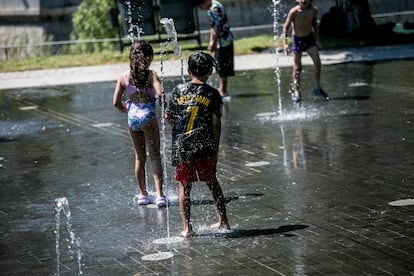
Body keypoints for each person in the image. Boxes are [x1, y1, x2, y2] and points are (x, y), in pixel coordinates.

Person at [165, 52, 230, 238]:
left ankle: (187, 228)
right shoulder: (213, 94)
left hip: (182, 147)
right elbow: (216, 124)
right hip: (205, 146)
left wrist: (179, 129)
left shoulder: (178, 90)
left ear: (188, 70)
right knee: (212, 182)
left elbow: (168, 117)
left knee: (184, 186)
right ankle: (223, 221)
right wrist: (216, 149)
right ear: (210, 71)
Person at [113, 40, 167, 207]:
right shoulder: (152, 75)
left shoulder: (123, 77)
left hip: (133, 118)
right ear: (149, 59)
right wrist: (165, 110)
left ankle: (143, 194)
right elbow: (160, 93)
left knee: (139, 157)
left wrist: (128, 110)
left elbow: (116, 102)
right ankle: (159, 195)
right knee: (155, 156)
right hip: (148, 117)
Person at [282, 0, 329, 102]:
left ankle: (317, 88)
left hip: (309, 39)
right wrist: (285, 43)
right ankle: (296, 91)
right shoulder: (293, 12)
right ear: (297, 1)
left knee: (317, 62)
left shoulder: (313, 10)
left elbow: (315, 25)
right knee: (297, 66)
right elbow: (285, 27)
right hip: (297, 39)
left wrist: (317, 40)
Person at [192, 0, 234, 101]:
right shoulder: (210, 8)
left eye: (201, 7)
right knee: (219, 64)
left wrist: (214, 42)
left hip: (224, 41)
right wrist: (211, 41)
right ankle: (221, 89)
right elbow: (212, 25)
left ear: (204, 1)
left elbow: (218, 26)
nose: (202, 9)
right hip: (220, 41)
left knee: (223, 66)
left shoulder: (215, 8)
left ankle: (222, 90)